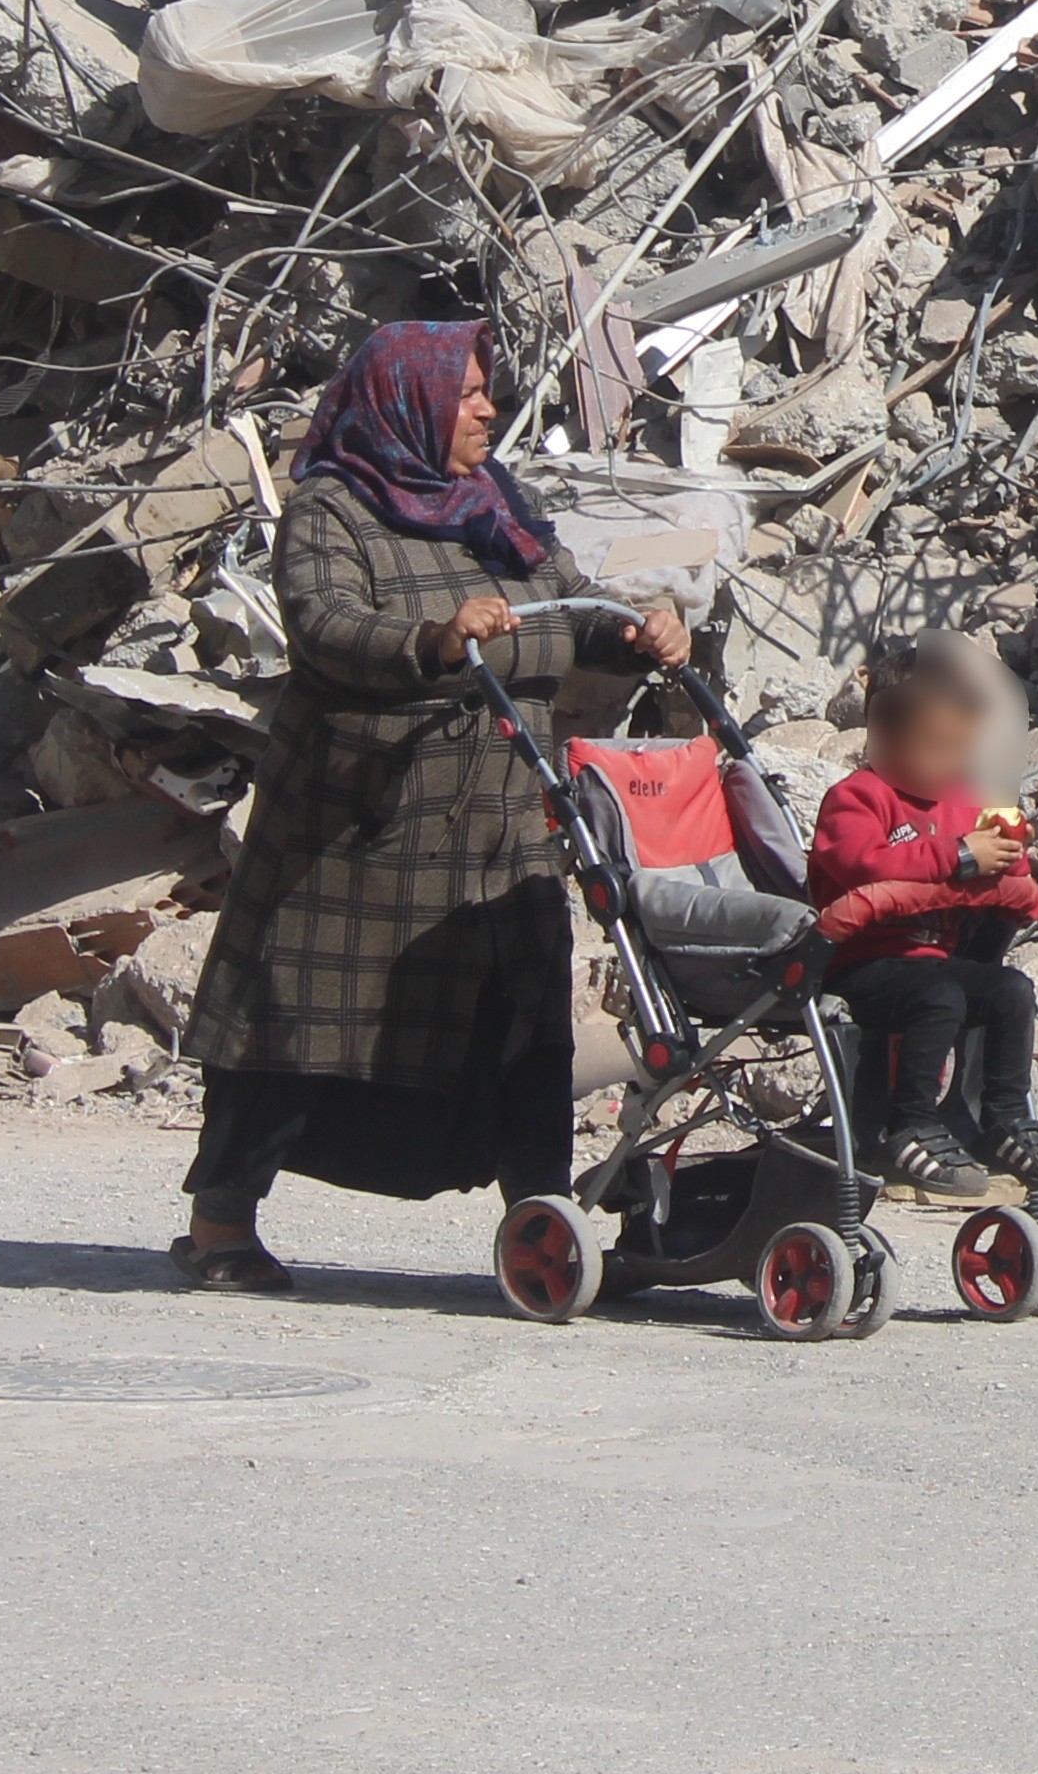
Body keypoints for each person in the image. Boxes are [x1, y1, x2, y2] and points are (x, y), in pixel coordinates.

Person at [172, 319, 685, 1292]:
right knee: (296, 1031)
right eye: (468, 392)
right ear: (406, 404)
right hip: (361, 833)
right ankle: (218, 1226)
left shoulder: (497, 508)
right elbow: (324, 626)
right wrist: (436, 641)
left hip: (504, 824)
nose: (488, 406)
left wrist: (639, 633)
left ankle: (545, 1229)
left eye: (487, 390)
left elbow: (570, 605)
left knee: (524, 1028)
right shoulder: (332, 507)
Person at [809, 632, 1038, 1198]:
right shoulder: (856, 798)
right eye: (933, 750)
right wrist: (957, 857)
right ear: (883, 740)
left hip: (935, 957)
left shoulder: (957, 797)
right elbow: (861, 865)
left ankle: (1003, 1115)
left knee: (1009, 990)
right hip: (864, 960)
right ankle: (910, 1121)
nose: (948, 766)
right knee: (941, 998)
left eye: (958, 751)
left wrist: (1005, 856)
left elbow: (991, 870)